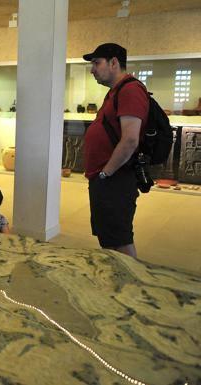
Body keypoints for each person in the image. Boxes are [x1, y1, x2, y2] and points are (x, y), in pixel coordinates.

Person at [82, 43, 149, 258]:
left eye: (96, 63)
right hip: (107, 178)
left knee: (120, 240)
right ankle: (117, 282)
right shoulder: (115, 92)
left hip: (115, 178)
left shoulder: (130, 90)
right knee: (109, 237)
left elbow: (130, 140)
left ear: (113, 63)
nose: (92, 69)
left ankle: (133, 285)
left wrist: (105, 173)